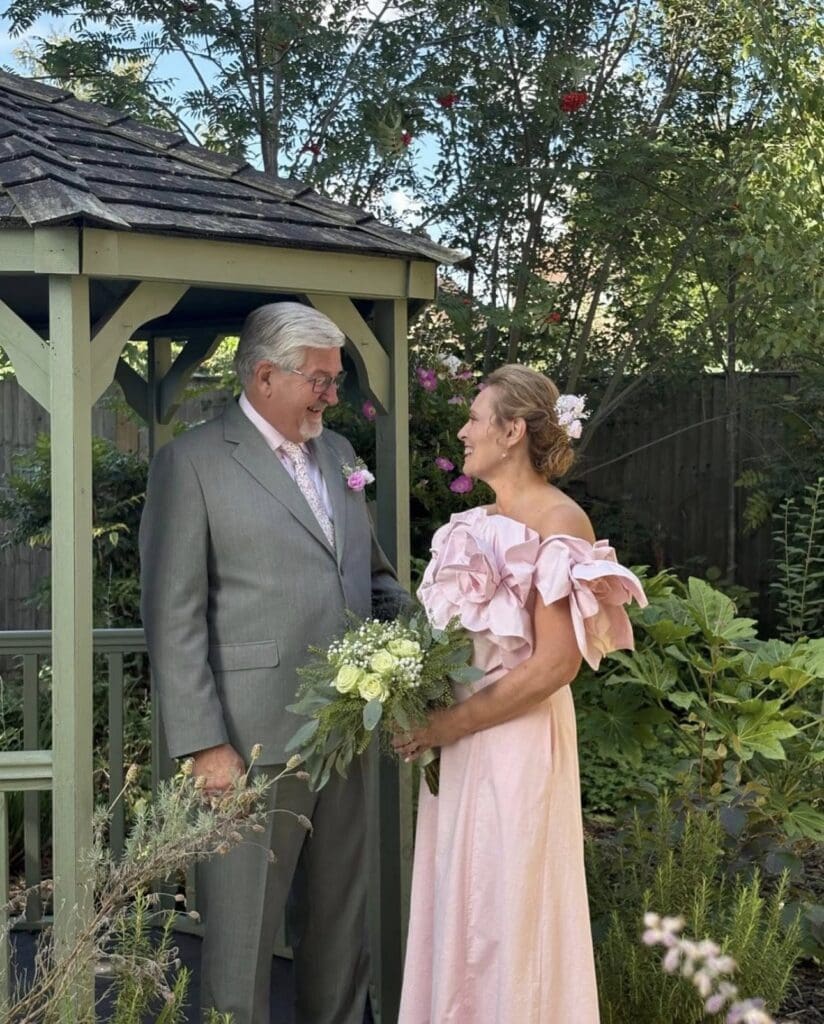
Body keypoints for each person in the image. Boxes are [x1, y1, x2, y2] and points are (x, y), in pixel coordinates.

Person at [139, 301, 406, 1024]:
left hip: (344, 735)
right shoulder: (190, 464)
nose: (332, 393)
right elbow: (172, 614)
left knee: (339, 926)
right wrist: (203, 745)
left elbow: (372, 579)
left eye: (336, 378)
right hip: (248, 745)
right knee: (240, 937)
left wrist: (429, 645)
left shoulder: (343, 457)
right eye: (319, 379)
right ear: (264, 376)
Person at [393, 364, 647, 1024]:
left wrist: (453, 723)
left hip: (516, 742)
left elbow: (556, 664)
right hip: (464, 742)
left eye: (475, 419)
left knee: (510, 907)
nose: (462, 430)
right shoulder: (473, 522)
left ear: (511, 431)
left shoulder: (561, 521)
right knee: (466, 899)